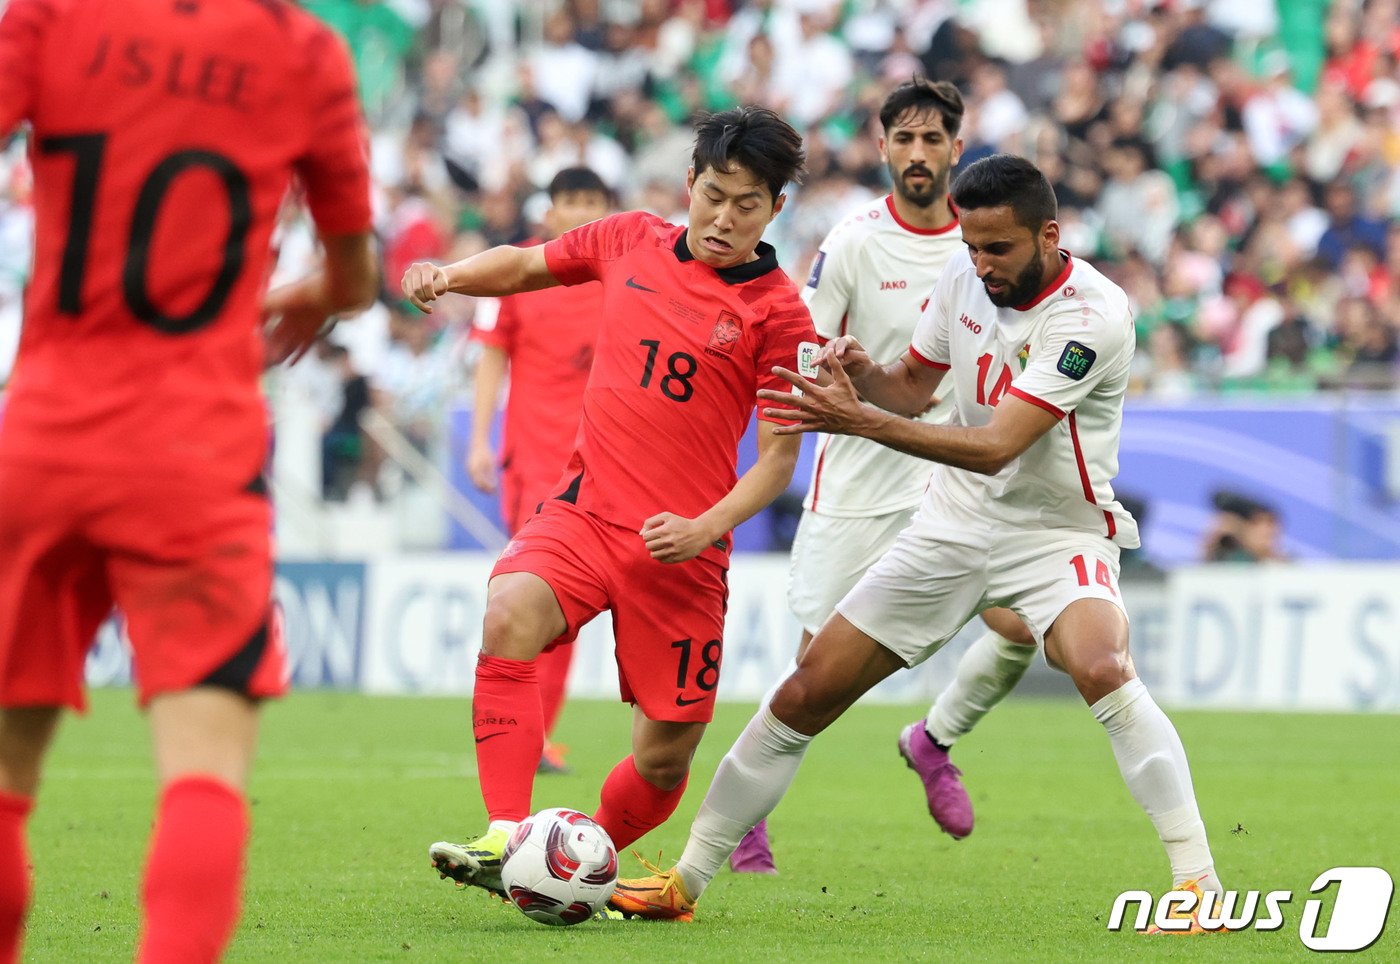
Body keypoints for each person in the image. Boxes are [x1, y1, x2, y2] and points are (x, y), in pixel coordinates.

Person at [611, 155, 1223, 935]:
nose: (979, 263)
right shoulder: (964, 280)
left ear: (1049, 235)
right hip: (952, 525)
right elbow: (909, 385)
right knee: (806, 692)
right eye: (970, 246)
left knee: (1101, 665)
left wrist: (862, 422)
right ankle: (685, 880)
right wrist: (863, 374)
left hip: (1054, 531)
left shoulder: (1092, 316)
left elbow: (999, 445)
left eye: (997, 249)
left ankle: (1197, 883)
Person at [0, 1, 377, 960]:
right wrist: (312, 294)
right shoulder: (300, 51)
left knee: (6, 778)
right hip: (191, 454)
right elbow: (356, 276)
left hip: (41, 438)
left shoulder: (53, 19)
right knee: (203, 775)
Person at [401, 106, 816, 901]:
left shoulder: (780, 315)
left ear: (776, 210)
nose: (724, 219)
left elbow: (777, 464)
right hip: (585, 512)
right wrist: (448, 276)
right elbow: (524, 268)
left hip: (682, 552)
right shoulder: (626, 238)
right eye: (714, 196)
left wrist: (705, 527)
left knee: (665, 760)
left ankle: (575, 855)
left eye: (747, 205)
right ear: (689, 184)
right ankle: (504, 834)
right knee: (508, 612)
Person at [730, 78, 1037, 876]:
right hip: (862, 476)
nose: (918, 154)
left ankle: (932, 741)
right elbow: (804, 343)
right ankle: (746, 821)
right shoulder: (855, 242)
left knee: (1022, 627)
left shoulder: (985, 241)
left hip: (955, 472)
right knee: (813, 671)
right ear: (883, 149)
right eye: (904, 139)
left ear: (956, 150)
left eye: (933, 140)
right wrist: (826, 371)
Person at [467, 167, 614, 776]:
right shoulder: (516, 271)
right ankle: (526, 732)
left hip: (603, 468)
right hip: (532, 463)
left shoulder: (621, 274)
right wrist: (478, 440)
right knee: (533, 598)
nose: (579, 213)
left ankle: (537, 734)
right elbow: (490, 358)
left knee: (567, 615)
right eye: (569, 202)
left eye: (591, 203)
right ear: (549, 213)